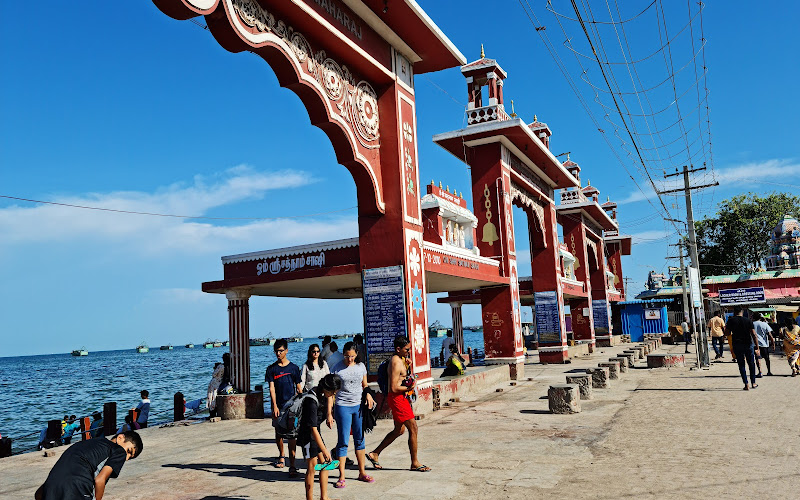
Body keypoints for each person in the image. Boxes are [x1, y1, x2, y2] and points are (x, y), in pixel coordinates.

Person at [366, 336, 430, 473]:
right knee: (413, 428)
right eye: (407, 349)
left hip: (402, 397)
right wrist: (409, 388)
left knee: (399, 430)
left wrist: (408, 366)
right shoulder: (395, 362)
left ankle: (375, 453)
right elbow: (394, 387)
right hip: (397, 399)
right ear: (398, 349)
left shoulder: (401, 360)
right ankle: (415, 462)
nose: (409, 352)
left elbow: (403, 377)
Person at [34, 431, 143, 500]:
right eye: (129, 451)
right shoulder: (119, 451)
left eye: (130, 457)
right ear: (120, 438)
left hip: (50, 488)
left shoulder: (89, 443)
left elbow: (38, 494)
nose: (127, 457)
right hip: (77, 488)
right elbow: (100, 480)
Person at [329, 341, 376, 488]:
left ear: (356, 355)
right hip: (342, 406)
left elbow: (365, 385)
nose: (349, 359)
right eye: (347, 356)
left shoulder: (361, 367)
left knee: (359, 439)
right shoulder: (337, 368)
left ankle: (361, 472)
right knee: (343, 441)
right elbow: (331, 392)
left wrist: (368, 395)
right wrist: (329, 413)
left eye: (352, 356)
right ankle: (341, 476)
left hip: (358, 407)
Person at [300, 374, 342, 500]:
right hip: (307, 435)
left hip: (315, 431)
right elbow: (312, 430)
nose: (334, 395)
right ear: (327, 389)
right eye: (333, 392)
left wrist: (329, 414)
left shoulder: (324, 392)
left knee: (324, 464)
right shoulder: (311, 402)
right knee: (312, 467)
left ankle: (324, 497)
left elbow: (329, 399)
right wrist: (324, 450)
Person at [265, 338, 302, 477]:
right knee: (279, 433)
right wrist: (274, 406)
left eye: (281, 351)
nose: (278, 353)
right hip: (278, 406)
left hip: (292, 406)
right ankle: (281, 455)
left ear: (286, 350)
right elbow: (271, 389)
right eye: (276, 351)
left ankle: (292, 465)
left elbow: (299, 388)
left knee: (292, 436)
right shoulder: (271, 369)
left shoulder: (293, 368)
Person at [724, 306, 759, 390]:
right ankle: (753, 383)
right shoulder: (748, 320)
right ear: (742, 312)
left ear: (734, 312)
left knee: (741, 364)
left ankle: (746, 384)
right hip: (748, 343)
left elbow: (727, 333)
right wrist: (757, 347)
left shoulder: (731, 321)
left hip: (737, 344)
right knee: (751, 363)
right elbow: (754, 334)